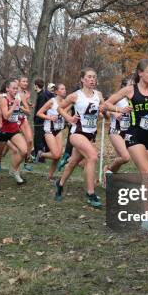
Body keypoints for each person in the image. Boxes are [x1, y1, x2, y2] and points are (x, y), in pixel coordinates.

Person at [104, 60, 148, 229]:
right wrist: (119, 110)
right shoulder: (130, 90)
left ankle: (115, 179)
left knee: (147, 176)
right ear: (140, 73)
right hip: (134, 135)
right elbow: (106, 104)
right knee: (147, 173)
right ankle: (146, 218)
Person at [55, 69, 107, 208]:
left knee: (73, 163)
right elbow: (60, 108)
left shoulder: (99, 95)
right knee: (92, 156)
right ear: (82, 79)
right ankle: (90, 194)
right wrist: (69, 118)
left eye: (94, 77)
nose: (92, 79)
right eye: (89, 77)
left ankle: (59, 184)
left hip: (90, 135)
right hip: (77, 133)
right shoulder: (75, 96)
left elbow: (102, 110)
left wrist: (104, 113)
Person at [0, 79, 29, 185]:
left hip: (14, 129)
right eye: (13, 88)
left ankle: (14, 170)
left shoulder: (18, 98)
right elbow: (6, 115)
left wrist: (21, 108)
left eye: (17, 88)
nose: (16, 90)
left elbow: (28, 111)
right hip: (3, 130)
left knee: (24, 151)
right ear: (7, 89)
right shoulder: (3, 99)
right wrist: (15, 105)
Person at [36, 83, 67, 181]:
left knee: (58, 156)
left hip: (58, 130)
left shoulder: (66, 102)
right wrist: (49, 117)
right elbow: (39, 113)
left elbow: (65, 114)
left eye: (65, 89)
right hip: (49, 130)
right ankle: (41, 154)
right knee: (56, 154)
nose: (64, 90)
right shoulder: (51, 101)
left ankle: (50, 176)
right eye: (62, 89)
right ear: (56, 91)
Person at [103, 78, 132, 180]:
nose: (133, 87)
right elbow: (104, 108)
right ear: (124, 87)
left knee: (120, 159)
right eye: (130, 84)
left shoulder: (135, 99)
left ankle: (109, 176)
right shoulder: (118, 98)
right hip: (116, 131)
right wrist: (114, 113)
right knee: (125, 157)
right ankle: (108, 171)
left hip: (128, 132)